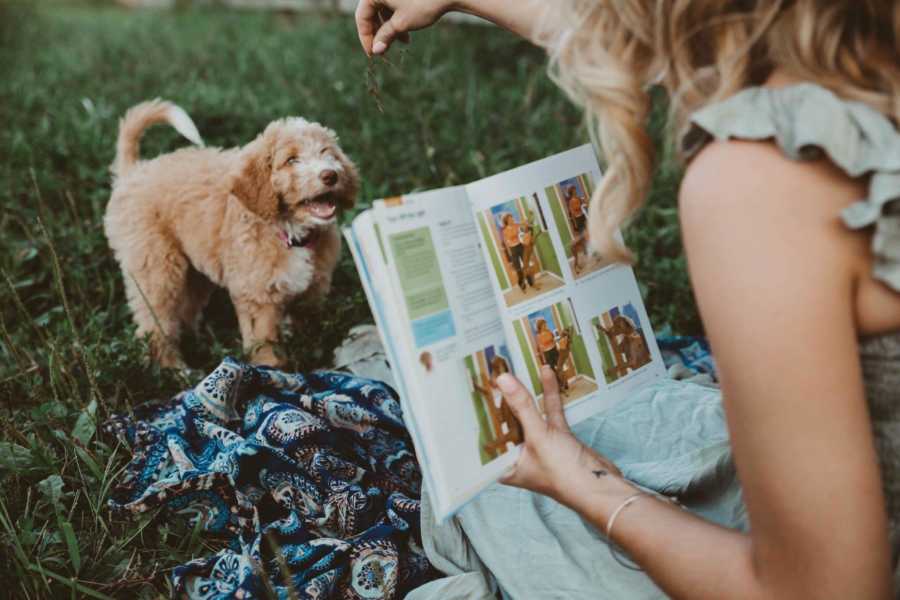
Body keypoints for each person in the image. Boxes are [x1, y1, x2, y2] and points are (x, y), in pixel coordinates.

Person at [355, 1, 900, 597]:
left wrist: (590, 487)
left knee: (504, 496)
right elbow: (668, 43)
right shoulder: (865, 65)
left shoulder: (762, 183)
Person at [500, 213, 532, 292]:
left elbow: (524, 226)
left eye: (512, 218)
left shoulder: (516, 225)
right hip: (513, 249)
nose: (512, 220)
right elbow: (510, 237)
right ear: (506, 221)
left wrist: (525, 223)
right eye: (510, 219)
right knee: (518, 268)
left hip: (520, 246)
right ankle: (521, 284)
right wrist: (517, 232)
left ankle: (530, 282)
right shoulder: (504, 230)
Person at [565, 185, 589, 273]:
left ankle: (588, 250)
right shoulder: (571, 201)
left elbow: (584, 205)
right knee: (583, 236)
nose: (575, 191)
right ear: (571, 192)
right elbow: (573, 212)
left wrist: (583, 201)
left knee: (587, 234)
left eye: (575, 190)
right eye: (574, 190)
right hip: (578, 219)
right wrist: (575, 224)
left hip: (583, 217)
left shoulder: (578, 198)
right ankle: (586, 251)